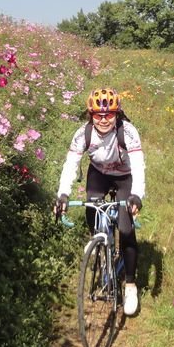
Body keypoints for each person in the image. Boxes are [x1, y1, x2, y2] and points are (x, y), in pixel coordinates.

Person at [56, 88, 145, 316]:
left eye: (109, 114)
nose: (104, 120)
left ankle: (130, 286)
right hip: (99, 174)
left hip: (125, 177)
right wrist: (63, 194)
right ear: (90, 115)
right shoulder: (83, 134)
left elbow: (138, 166)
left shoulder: (128, 132)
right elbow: (70, 165)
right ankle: (101, 244)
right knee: (91, 210)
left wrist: (136, 195)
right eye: (98, 115)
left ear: (117, 114)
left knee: (126, 228)